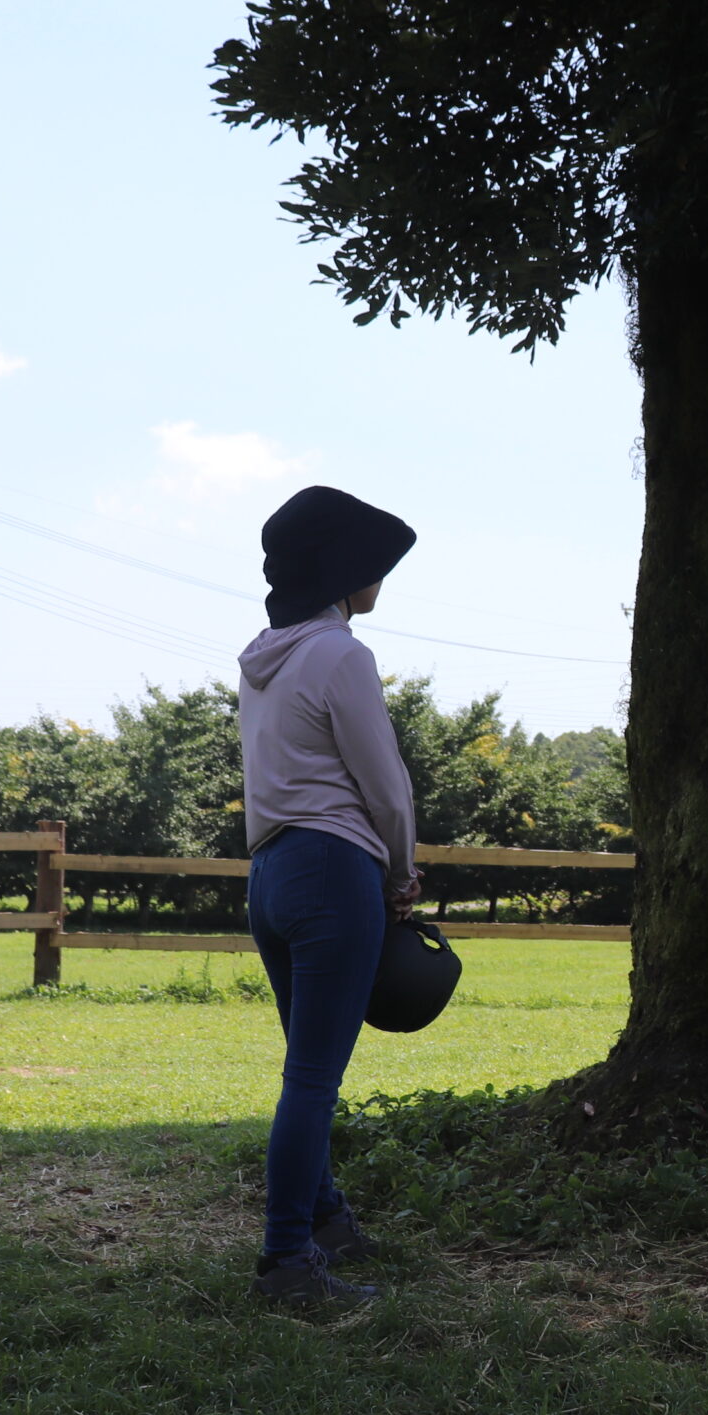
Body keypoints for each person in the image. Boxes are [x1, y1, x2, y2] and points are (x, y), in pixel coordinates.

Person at [239, 486, 422, 1306]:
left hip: (271, 875)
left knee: (303, 1068)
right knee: (314, 1078)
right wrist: (402, 869)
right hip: (333, 868)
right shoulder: (343, 656)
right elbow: (384, 783)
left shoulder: (262, 659)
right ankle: (288, 1263)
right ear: (344, 571)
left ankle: (327, 1217)